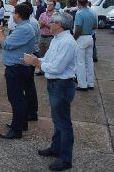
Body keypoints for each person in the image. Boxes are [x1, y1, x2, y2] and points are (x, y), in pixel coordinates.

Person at [24, 12, 77, 171]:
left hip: (62, 85)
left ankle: (66, 159)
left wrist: (36, 63)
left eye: (52, 21)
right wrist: (36, 60)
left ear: (59, 25)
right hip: (55, 84)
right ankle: (56, 148)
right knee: (57, 120)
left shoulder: (67, 42)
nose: (49, 23)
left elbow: (57, 68)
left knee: (63, 123)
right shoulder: (57, 39)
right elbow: (48, 61)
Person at [0, 3, 36, 139]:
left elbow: (6, 44)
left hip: (17, 68)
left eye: (13, 13)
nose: (12, 16)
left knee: (16, 99)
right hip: (18, 67)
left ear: (18, 15)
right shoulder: (24, 27)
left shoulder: (24, 29)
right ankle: (20, 124)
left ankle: (16, 130)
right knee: (19, 98)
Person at [73, 0, 97, 91]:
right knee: (89, 61)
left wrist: (73, 39)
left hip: (81, 38)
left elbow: (78, 29)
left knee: (80, 62)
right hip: (90, 37)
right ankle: (90, 83)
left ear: (79, 3)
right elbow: (95, 26)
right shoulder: (92, 12)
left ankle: (82, 84)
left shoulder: (79, 13)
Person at [36, 0, 56, 76]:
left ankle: (48, 71)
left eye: (50, 4)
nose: (48, 6)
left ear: (54, 6)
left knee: (50, 55)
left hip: (51, 37)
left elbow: (55, 27)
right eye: (48, 4)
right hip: (42, 36)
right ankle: (41, 70)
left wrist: (46, 25)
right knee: (41, 54)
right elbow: (39, 26)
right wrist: (42, 25)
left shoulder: (56, 15)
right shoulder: (42, 14)